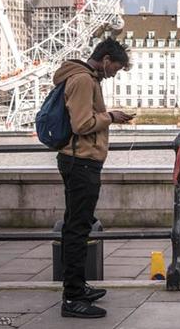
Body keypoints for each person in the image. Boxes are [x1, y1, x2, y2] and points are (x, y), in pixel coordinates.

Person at [53, 37, 133, 318]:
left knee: (78, 224)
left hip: (80, 161)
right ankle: (72, 298)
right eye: (116, 68)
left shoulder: (84, 77)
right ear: (106, 60)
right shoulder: (84, 80)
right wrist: (111, 116)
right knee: (77, 228)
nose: (115, 74)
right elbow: (82, 123)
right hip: (81, 162)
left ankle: (77, 287)